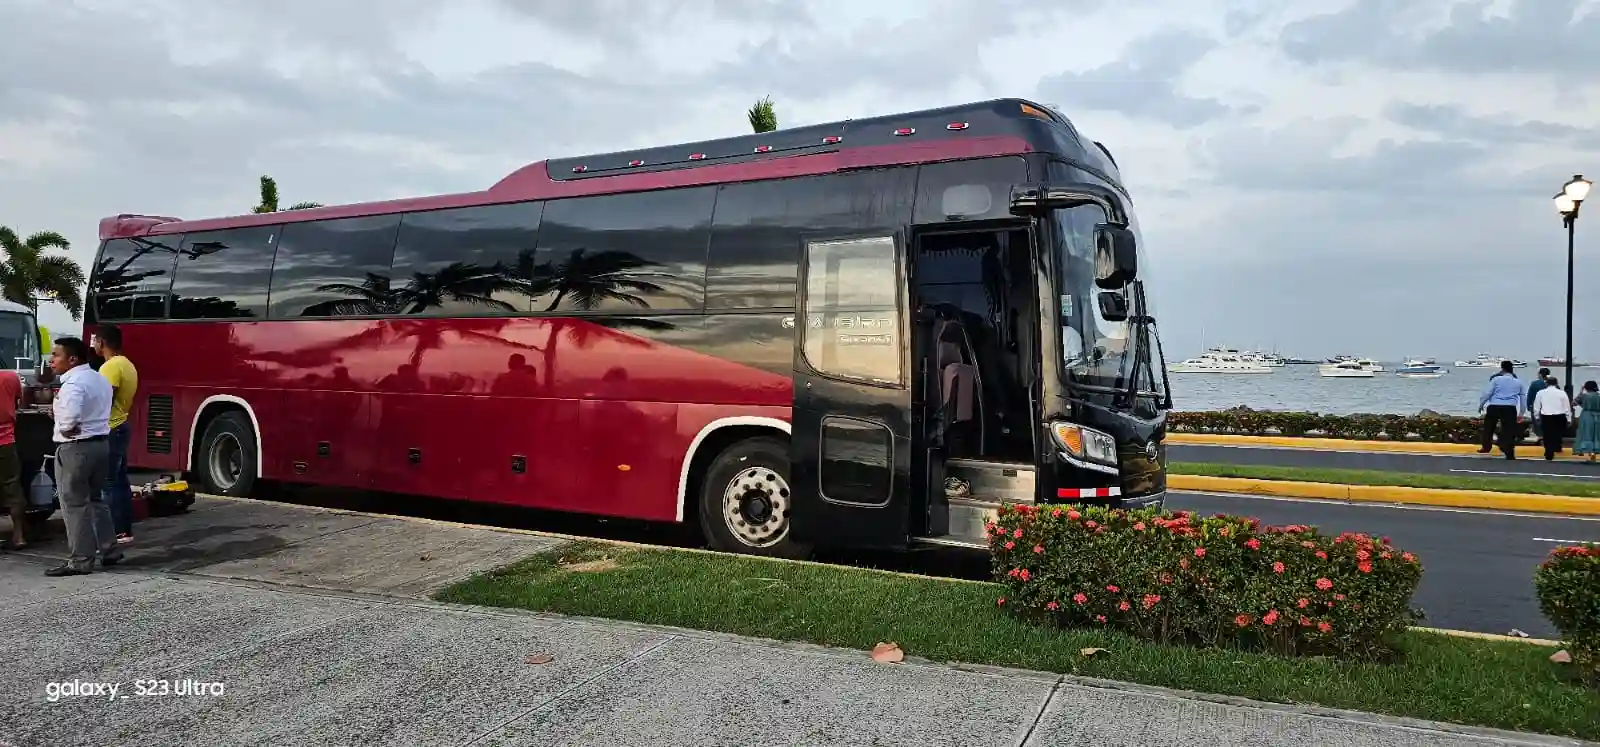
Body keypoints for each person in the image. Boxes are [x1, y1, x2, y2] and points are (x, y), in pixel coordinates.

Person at [45, 336, 118, 576]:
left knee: (74, 504)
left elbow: (70, 418)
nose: (51, 360)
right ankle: (109, 549)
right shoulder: (99, 378)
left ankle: (81, 560)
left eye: (56, 355)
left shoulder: (73, 384)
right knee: (96, 499)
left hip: (76, 448)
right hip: (100, 444)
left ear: (72, 358)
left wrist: (65, 425)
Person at [93, 324, 137, 544]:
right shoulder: (127, 364)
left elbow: (104, 398)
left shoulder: (110, 367)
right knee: (120, 481)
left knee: (108, 483)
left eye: (95, 340)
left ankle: (114, 531)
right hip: (121, 425)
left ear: (102, 342)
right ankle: (124, 530)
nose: (92, 344)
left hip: (110, 427)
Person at [0, 364, 27, 550]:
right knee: (12, 486)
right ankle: (19, 536)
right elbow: (21, 403)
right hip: (7, 441)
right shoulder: (11, 377)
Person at [1478, 360, 1524, 459]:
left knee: (1488, 428)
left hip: (1494, 406)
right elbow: (1522, 398)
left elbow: (1487, 393)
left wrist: (1481, 404)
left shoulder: (1496, 380)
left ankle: (1486, 447)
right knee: (1509, 430)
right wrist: (1521, 413)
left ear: (1502, 369)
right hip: (1510, 408)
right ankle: (1509, 452)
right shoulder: (1518, 382)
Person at [1533, 375, 1573, 462]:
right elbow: (1567, 407)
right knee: (1557, 433)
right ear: (1556, 383)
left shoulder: (1541, 392)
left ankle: (1549, 452)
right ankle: (1557, 447)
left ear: (1546, 383)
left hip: (1546, 416)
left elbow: (1536, 406)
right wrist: (1569, 418)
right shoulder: (1562, 393)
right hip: (1559, 415)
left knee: (1547, 435)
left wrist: (1537, 417)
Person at [1574, 381, 1600, 463]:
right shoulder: (1598, 396)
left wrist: (1581, 391)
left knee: (1587, 434)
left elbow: (1574, 403)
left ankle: (1590, 451)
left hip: (1587, 416)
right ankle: (1595, 450)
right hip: (1598, 416)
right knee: (1596, 434)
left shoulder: (1584, 396)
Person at [1526, 368, 1551, 440]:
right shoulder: (1551, 383)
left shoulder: (1535, 384)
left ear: (1540, 374)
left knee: (1537, 425)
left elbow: (1530, 396)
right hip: (1549, 408)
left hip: (1536, 407)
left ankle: (1540, 437)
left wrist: (1528, 406)